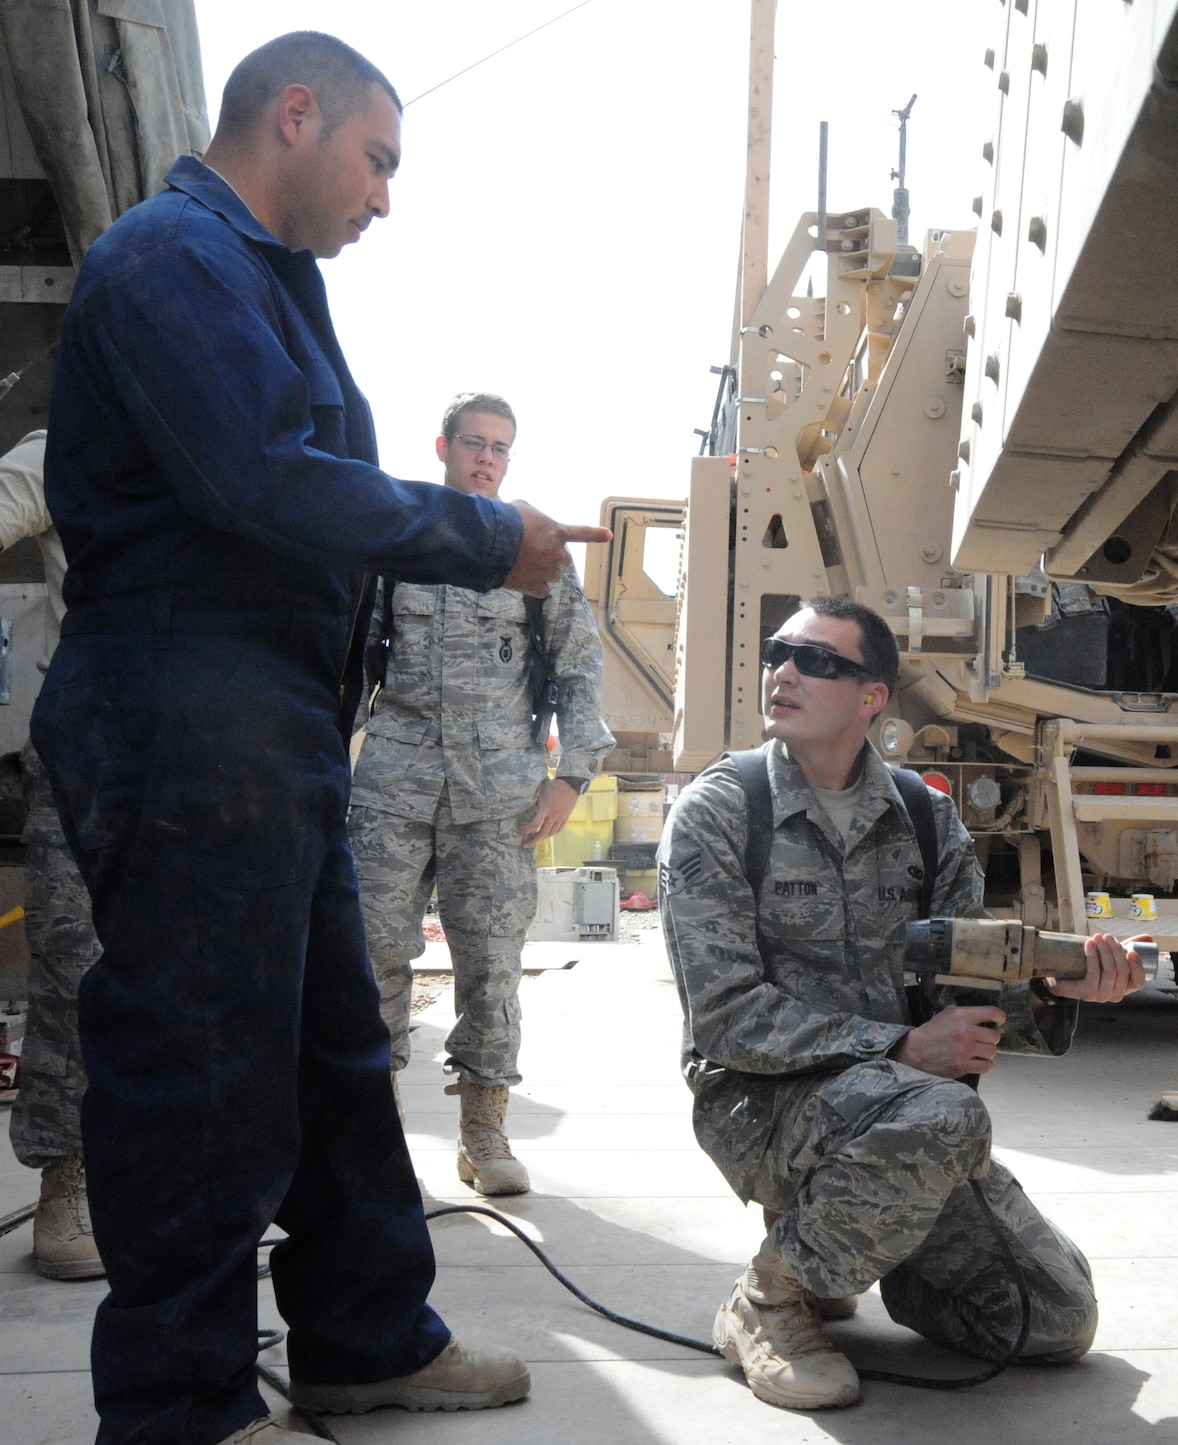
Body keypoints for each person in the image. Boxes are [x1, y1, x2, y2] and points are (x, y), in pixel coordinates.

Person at [32, 33, 609, 1445]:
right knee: (203, 1071)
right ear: (295, 114)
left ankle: (363, 1336)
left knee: (334, 1055)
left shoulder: (258, 279)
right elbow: (263, 481)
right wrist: (483, 535)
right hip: (187, 713)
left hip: (263, 729)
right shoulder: (173, 257)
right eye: (379, 160)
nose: (385, 198)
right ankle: (179, 1402)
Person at [660, 596, 1149, 1411]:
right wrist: (898, 1048)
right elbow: (725, 1015)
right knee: (950, 1120)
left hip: (897, 1111)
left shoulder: (927, 819)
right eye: (780, 652)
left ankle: (853, 1254)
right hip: (758, 1102)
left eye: (816, 660)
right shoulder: (721, 811)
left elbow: (967, 1000)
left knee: (1057, 1320)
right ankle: (771, 1295)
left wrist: (1059, 989)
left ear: (871, 698)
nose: (783, 671)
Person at [350, 391, 612, 1194]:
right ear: (443, 447)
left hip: (499, 796)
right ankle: (371, 1133)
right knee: (371, 956)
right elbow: (344, 661)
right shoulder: (393, 547)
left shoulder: (538, 561)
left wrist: (572, 778)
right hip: (391, 786)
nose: (487, 457)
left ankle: (484, 1132)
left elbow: (578, 667)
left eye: (501, 446)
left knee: (492, 964)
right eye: (474, 442)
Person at [0, 429, 106, 1282]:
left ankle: (180, 1173)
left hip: (211, 743)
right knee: (75, 963)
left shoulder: (232, 443)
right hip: (90, 739)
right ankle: (67, 1179)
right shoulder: (64, 448)